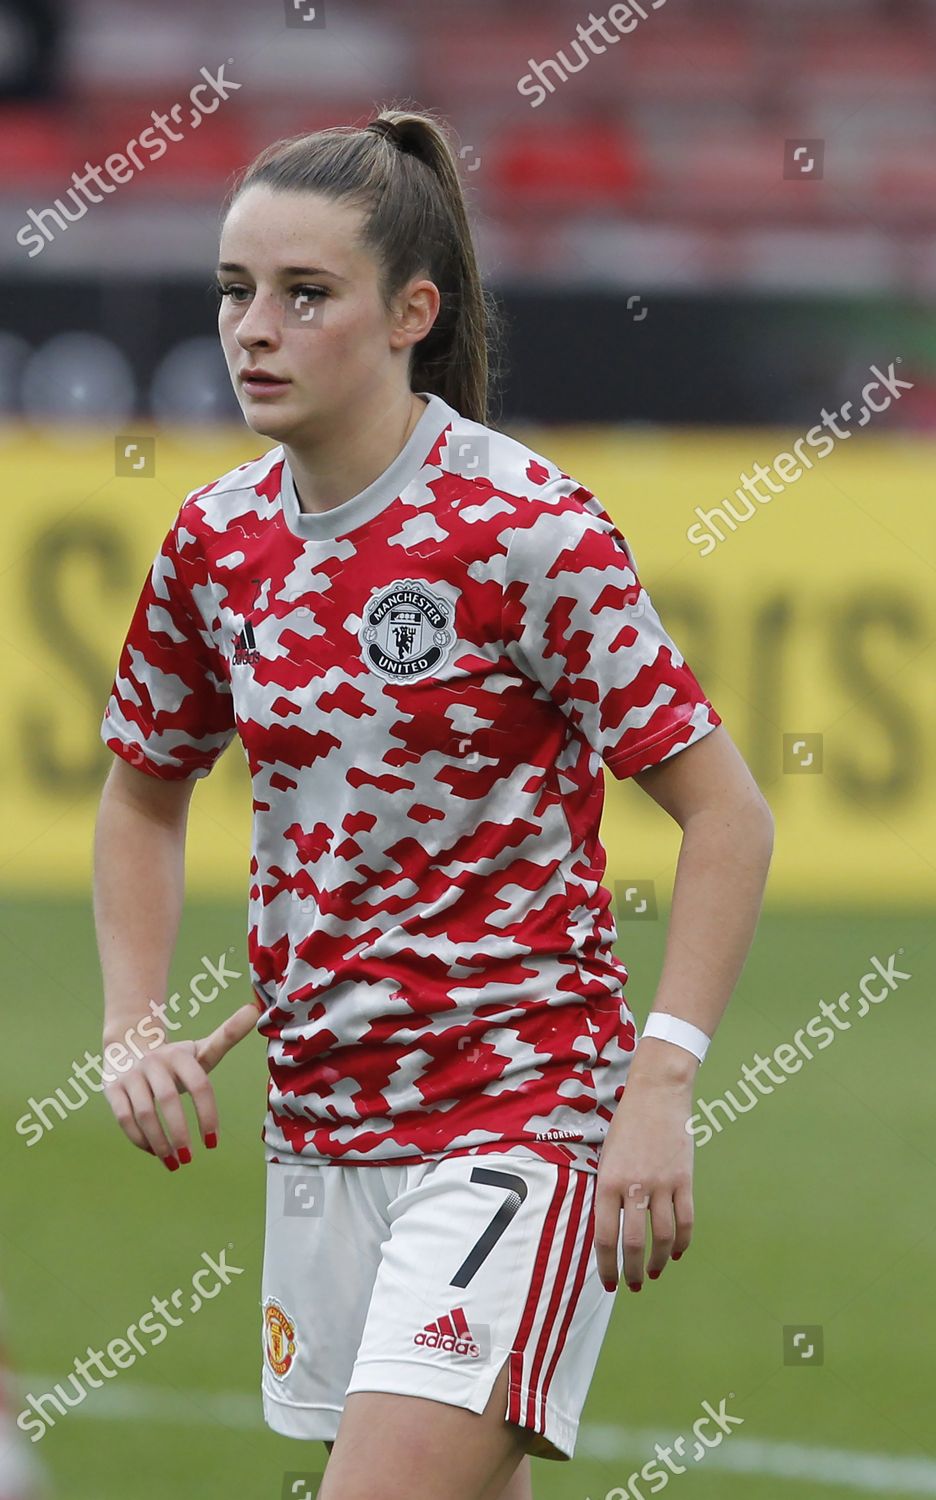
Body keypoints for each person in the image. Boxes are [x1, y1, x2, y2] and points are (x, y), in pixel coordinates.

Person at [94, 107, 774, 1500]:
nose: (253, 332)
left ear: (413, 312)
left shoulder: (525, 530)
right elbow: (144, 793)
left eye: (303, 295)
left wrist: (660, 1082)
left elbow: (728, 814)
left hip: (519, 1122)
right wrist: (132, 1025)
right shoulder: (218, 543)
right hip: (323, 1135)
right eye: (236, 293)